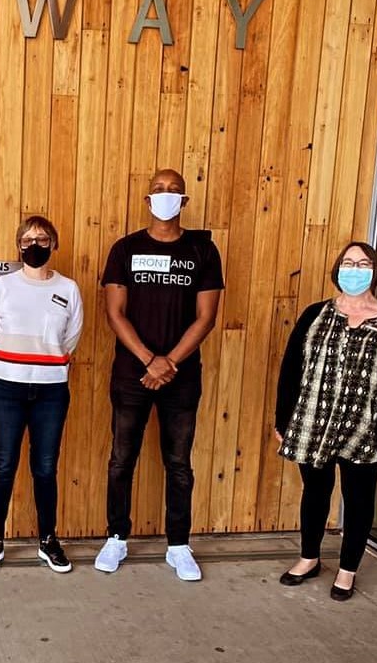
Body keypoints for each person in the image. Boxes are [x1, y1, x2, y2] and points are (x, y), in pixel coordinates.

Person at [94, 168, 223, 581]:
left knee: (179, 463)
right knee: (121, 459)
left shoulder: (203, 250)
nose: (166, 195)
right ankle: (116, 537)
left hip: (181, 377)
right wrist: (150, 359)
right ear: (148, 200)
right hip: (131, 374)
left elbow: (206, 317)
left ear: (184, 201)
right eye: (158, 190)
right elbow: (115, 313)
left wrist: (169, 363)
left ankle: (179, 545)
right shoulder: (125, 249)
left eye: (174, 190)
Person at [275, 241, 377, 602]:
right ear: (338, 270)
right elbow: (291, 369)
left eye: (363, 263)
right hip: (313, 423)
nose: (355, 269)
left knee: (359, 499)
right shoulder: (315, 314)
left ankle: (347, 570)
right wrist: (282, 419)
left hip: (366, 429)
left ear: (375, 271)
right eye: (348, 263)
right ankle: (309, 558)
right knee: (315, 492)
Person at [0, 216, 83, 574]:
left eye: (42, 238)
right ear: (19, 246)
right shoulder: (3, 287)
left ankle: (48, 539)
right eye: (27, 239)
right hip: (6, 388)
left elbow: (71, 337)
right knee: (4, 465)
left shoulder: (69, 289)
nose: (34, 245)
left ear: (54, 244)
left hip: (51, 390)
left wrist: (46, 362)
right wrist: (9, 367)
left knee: (46, 467)